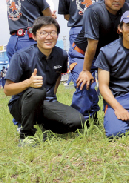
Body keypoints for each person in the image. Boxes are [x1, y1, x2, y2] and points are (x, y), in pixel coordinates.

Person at [5, 16, 83, 147]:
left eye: (52, 32)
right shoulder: (22, 56)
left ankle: (47, 127)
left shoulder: (61, 55)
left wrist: (53, 93)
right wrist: (28, 83)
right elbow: (7, 90)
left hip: (47, 102)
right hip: (21, 105)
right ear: (34, 36)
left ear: (57, 35)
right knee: (37, 91)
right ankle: (26, 136)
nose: (48, 37)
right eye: (43, 33)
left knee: (77, 121)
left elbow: (58, 76)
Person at [71, 0, 129, 121]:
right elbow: (92, 44)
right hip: (83, 54)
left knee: (117, 83)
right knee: (85, 83)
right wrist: (86, 71)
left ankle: (111, 116)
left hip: (106, 56)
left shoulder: (128, 10)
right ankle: (82, 121)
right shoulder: (94, 11)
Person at [58, 0, 106, 88]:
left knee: (82, 77)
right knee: (108, 74)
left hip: (78, 30)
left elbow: (67, 15)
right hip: (101, 30)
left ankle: (87, 108)